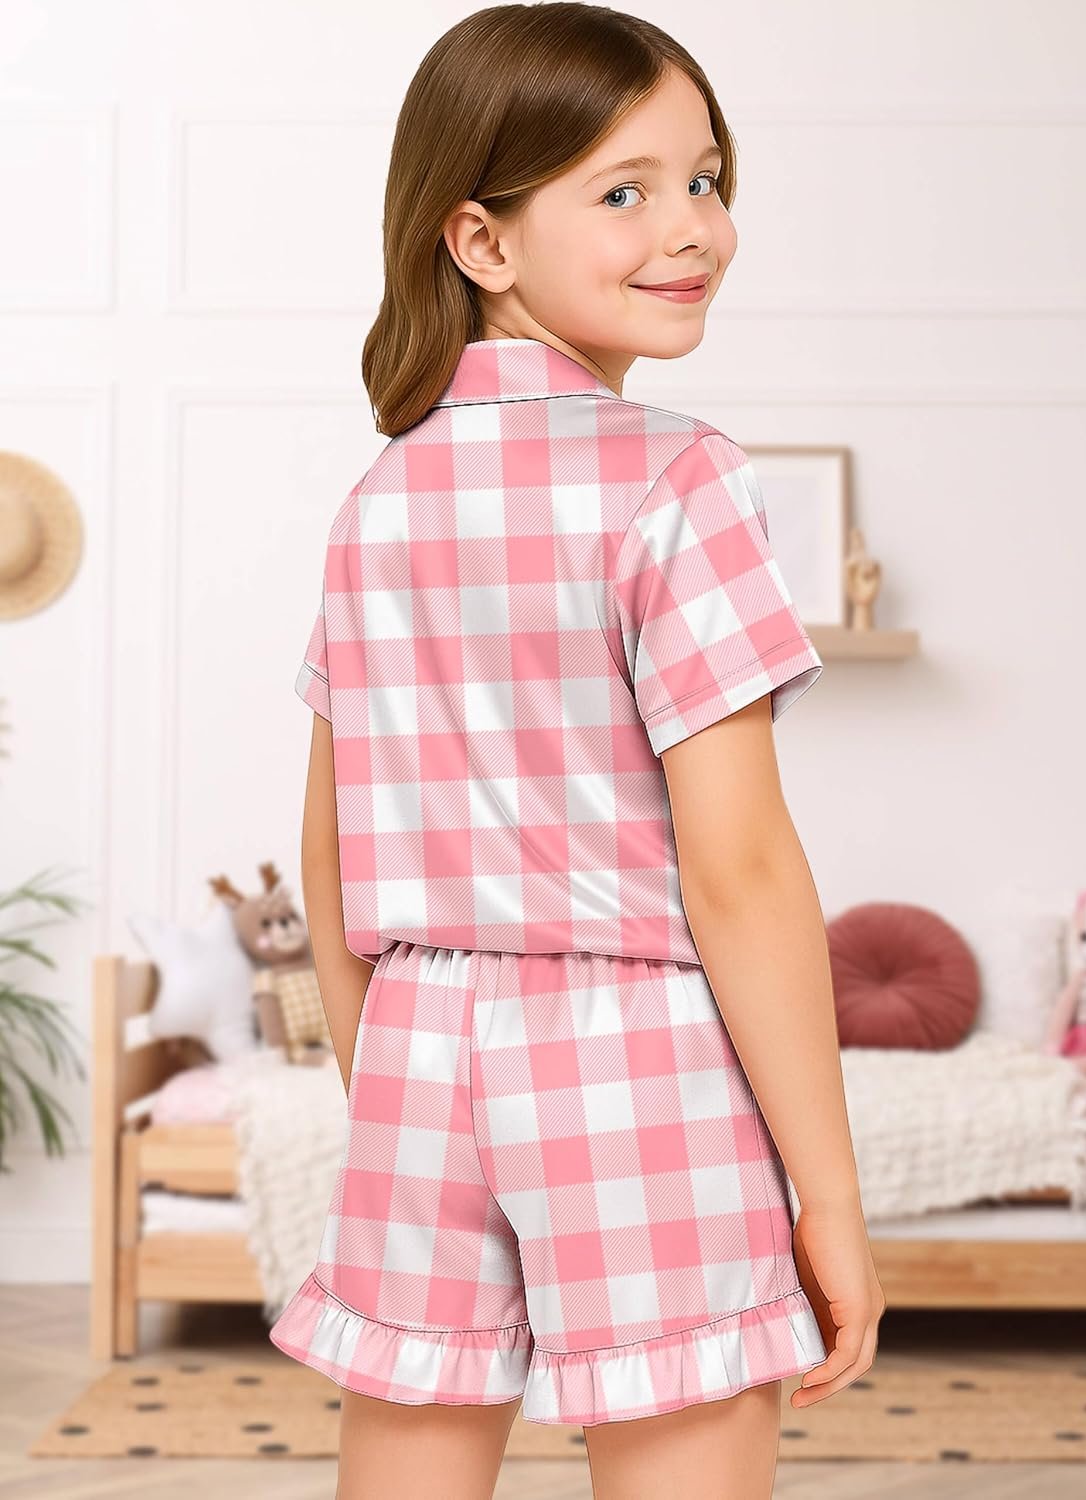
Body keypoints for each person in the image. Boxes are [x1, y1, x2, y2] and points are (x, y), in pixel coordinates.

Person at [268, 5, 885, 1496]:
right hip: (634, 1056)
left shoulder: (382, 498)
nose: (692, 229)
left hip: (418, 1049)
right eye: (624, 191)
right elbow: (740, 871)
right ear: (480, 241)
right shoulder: (679, 477)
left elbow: (330, 856)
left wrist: (388, 1091)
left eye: (705, 178)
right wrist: (830, 1193)